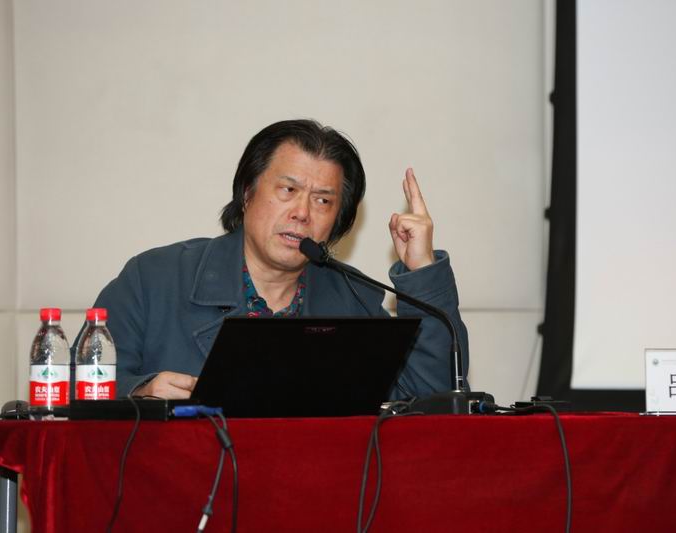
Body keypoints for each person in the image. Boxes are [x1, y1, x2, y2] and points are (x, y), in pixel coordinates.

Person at [87, 119, 468, 400]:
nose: (302, 213)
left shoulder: (354, 299)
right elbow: (76, 387)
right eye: (288, 190)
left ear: (337, 221)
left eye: (323, 200)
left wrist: (422, 269)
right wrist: (139, 393)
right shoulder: (154, 279)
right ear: (247, 192)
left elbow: (432, 398)